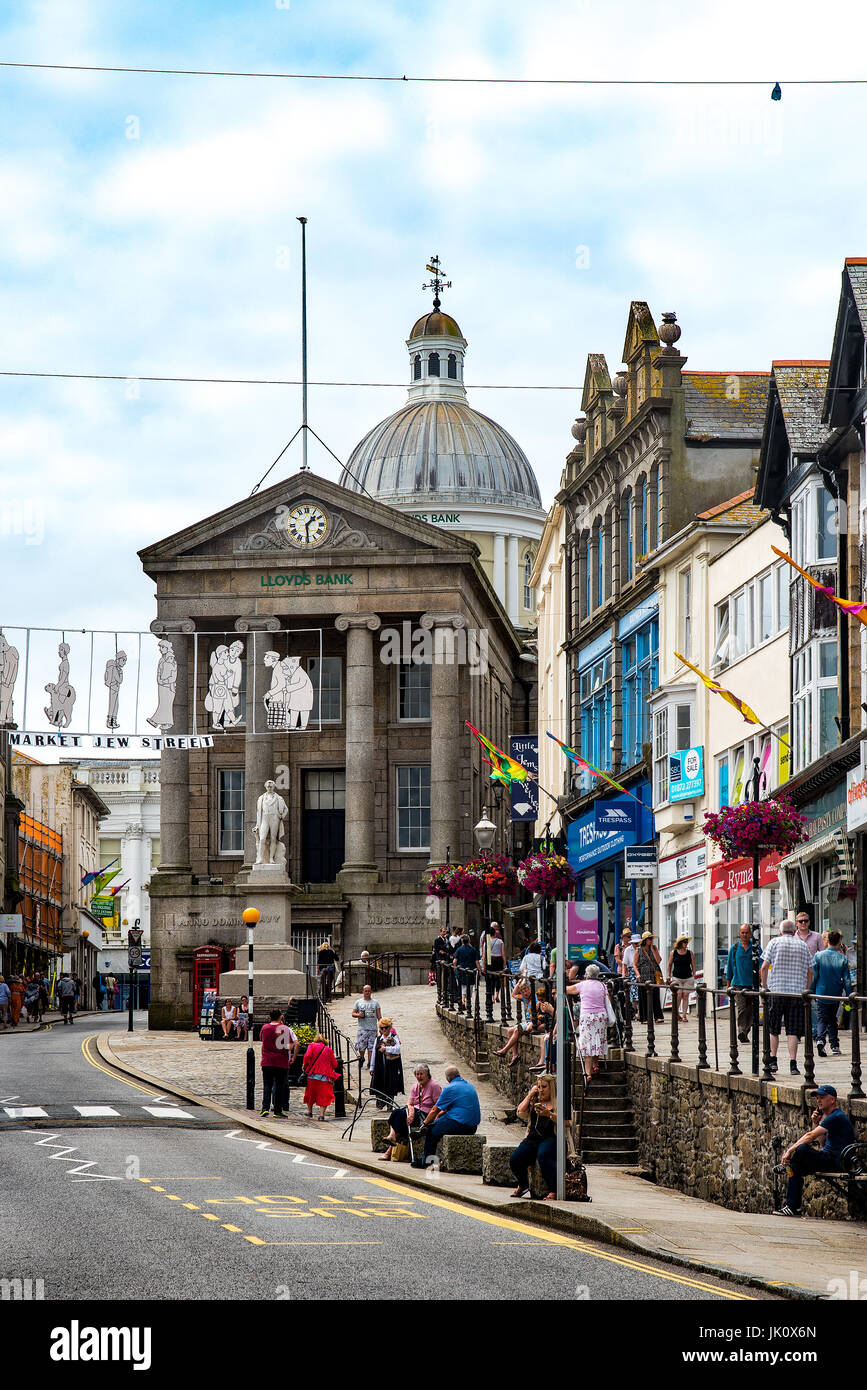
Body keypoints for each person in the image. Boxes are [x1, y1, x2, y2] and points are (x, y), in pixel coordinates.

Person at [775, 1085, 856, 1217]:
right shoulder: (829, 1118)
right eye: (817, 1098)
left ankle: (785, 1166)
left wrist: (789, 1151)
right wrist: (816, 1123)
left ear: (832, 1100)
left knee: (802, 1149)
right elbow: (822, 1142)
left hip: (836, 1161)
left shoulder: (836, 1116)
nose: (818, 1101)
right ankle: (792, 1207)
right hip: (828, 1157)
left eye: (822, 1098)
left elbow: (810, 1136)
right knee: (794, 1169)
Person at [760, 919, 814, 1075]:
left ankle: (773, 1060)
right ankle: (793, 1064)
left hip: (777, 991)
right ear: (794, 931)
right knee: (793, 1031)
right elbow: (810, 972)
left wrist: (765, 987)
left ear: (780, 930)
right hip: (796, 993)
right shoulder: (803, 945)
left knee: (773, 1028)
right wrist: (806, 989)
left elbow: (764, 967)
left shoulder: (774, 943)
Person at [380, 1064, 442, 1161]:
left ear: (427, 1075)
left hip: (425, 1115)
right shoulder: (415, 1086)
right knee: (397, 1112)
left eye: (421, 1074)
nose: (419, 1076)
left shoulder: (434, 1086)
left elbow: (439, 1106)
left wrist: (435, 1118)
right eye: (417, 1074)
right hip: (415, 1112)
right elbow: (410, 1103)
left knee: (400, 1115)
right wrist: (411, 1113)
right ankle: (392, 1137)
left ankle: (390, 1147)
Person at [420, 1065, 481, 1165]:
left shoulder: (450, 1088)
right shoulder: (469, 1085)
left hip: (461, 1125)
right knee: (441, 1121)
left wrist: (425, 1123)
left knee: (432, 1131)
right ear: (458, 1075)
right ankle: (434, 1159)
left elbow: (435, 1109)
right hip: (473, 1126)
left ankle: (426, 1162)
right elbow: (451, 1107)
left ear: (448, 1079)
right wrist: (439, 1116)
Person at [510, 1074, 558, 1200]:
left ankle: (554, 1190)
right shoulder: (535, 1101)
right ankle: (523, 1184)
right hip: (533, 1137)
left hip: (551, 1137)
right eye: (539, 1087)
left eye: (544, 1087)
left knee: (544, 1155)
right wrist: (530, 1095)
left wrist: (549, 1114)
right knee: (515, 1159)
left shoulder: (558, 1102)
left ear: (551, 1087)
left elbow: (567, 1122)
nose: (541, 1090)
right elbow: (520, 1111)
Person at [812, 931, 852, 1057]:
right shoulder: (843, 958)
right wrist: (849, 995)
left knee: (822, 1018)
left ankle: (820, 1039)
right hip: (835, 993)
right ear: (839, 942)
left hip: (821, 992)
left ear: (827, 941)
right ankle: (834, 1045)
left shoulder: (818, 956)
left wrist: (811, 991)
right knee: (832, 1019)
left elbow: (815, 976)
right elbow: (846, 979)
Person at [567, 963, 609, 1078]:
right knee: (597, 1040)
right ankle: (595, 1065)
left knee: (587, 1043)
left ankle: (587, 1073)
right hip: (600, 1015)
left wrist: (562, 981)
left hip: (588, 1016)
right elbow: (607, 999)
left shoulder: (582, 985)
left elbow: (568, 990)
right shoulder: (602, 985)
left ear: (586, 974)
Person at [259, 1008, 292, 1118]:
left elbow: (262, 1040)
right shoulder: (284, 1028)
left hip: (267, 1061)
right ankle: (277, 1110)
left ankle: (265, 1108)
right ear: (280, 1016)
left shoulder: (265, 1028)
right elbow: (289, 1045)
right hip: (280, 1062)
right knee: (279, 1086)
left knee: (267, 1085)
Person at [726, 923, 756, 1042]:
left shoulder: (755, 947)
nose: (744, 935)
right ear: (739, 933)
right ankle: (742, 1031)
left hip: (752, 984)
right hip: (738, 983)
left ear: (750, 933)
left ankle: (745, 1031)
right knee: (742, 1008)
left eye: (746, 932)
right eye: (742, 932)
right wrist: (728, 986)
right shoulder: (734, 949)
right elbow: (729, 967)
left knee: (751, 1009)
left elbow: (762, 963)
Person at [301, 1031, 339, 1120]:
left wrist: (305, 1065)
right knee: (324, 1096)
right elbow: (335, 1064)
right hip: (325, 1076)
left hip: (312, 1075)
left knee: (310, 1094)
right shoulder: (328, 1050)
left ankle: (310, 1112)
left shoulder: (312, 1046)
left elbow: (307, 1056)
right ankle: (321, 1115)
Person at [371, 1017, 404, 1107]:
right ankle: (381, 1103)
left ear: (390, 1028)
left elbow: (398, 1049)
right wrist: (372, 1067)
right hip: (380, 1066)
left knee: (390, 1083)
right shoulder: (378, 1039)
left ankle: (389, 1104)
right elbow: (374, 1053)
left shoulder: (394, 1037)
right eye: (382, 1028)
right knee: (380, 1083)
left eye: (386, 1027)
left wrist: (386, 1049)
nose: (384, 1029)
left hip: (391, 1065)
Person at [666, 935, 696, 1023]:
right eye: (684, 942)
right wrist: (668, 975)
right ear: (680, 943)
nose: (686, 944)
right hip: (677, 977)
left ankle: (684, 1015)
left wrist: (694, 974)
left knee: (686, 995)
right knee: (678, 996)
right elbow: (669, 964)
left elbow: (693, 964)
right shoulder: (673, 952)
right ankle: (676, 1013)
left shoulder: (689, 953)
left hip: (688, 977)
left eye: (687, 942)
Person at [635, 932, 664, 1023]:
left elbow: (658, 960)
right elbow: (634, 964)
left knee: (655, 996)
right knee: (643, 997)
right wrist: (637, 974)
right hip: (643, 976)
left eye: (651, 939)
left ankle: (658, 1016)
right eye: (649, 939)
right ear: (645, 940)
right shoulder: (638, 950)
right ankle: (645, 1018)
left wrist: (653, 950)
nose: (651, 940)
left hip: (653, 975)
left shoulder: (654, 948)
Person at [352, 983, 381, 1067]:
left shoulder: (376, 1003)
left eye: (368, 991)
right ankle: (361, 1058)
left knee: (371, 1047)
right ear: (363, 992)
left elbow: (379, 1016)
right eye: (365, 991)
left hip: (373, 1028)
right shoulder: (358, 1002)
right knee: (361, 1046)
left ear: (371, 992)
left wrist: (381, 1027)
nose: (367, 992)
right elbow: (353, 1013)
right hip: (362, 1028)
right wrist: (359, 1015)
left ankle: (370, 1062)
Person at [453, 934, 480, 1011]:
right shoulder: (473, 950)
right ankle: (467, 1002)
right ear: (469, 941)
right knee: (470, 986)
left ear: (462, 941)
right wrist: (479, 970)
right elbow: (477, 961)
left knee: (462, 986)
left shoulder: (459, 950)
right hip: (471, 971)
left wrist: (454, 969)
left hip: (461, 970)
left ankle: (463, 1001)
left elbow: (454, 961)